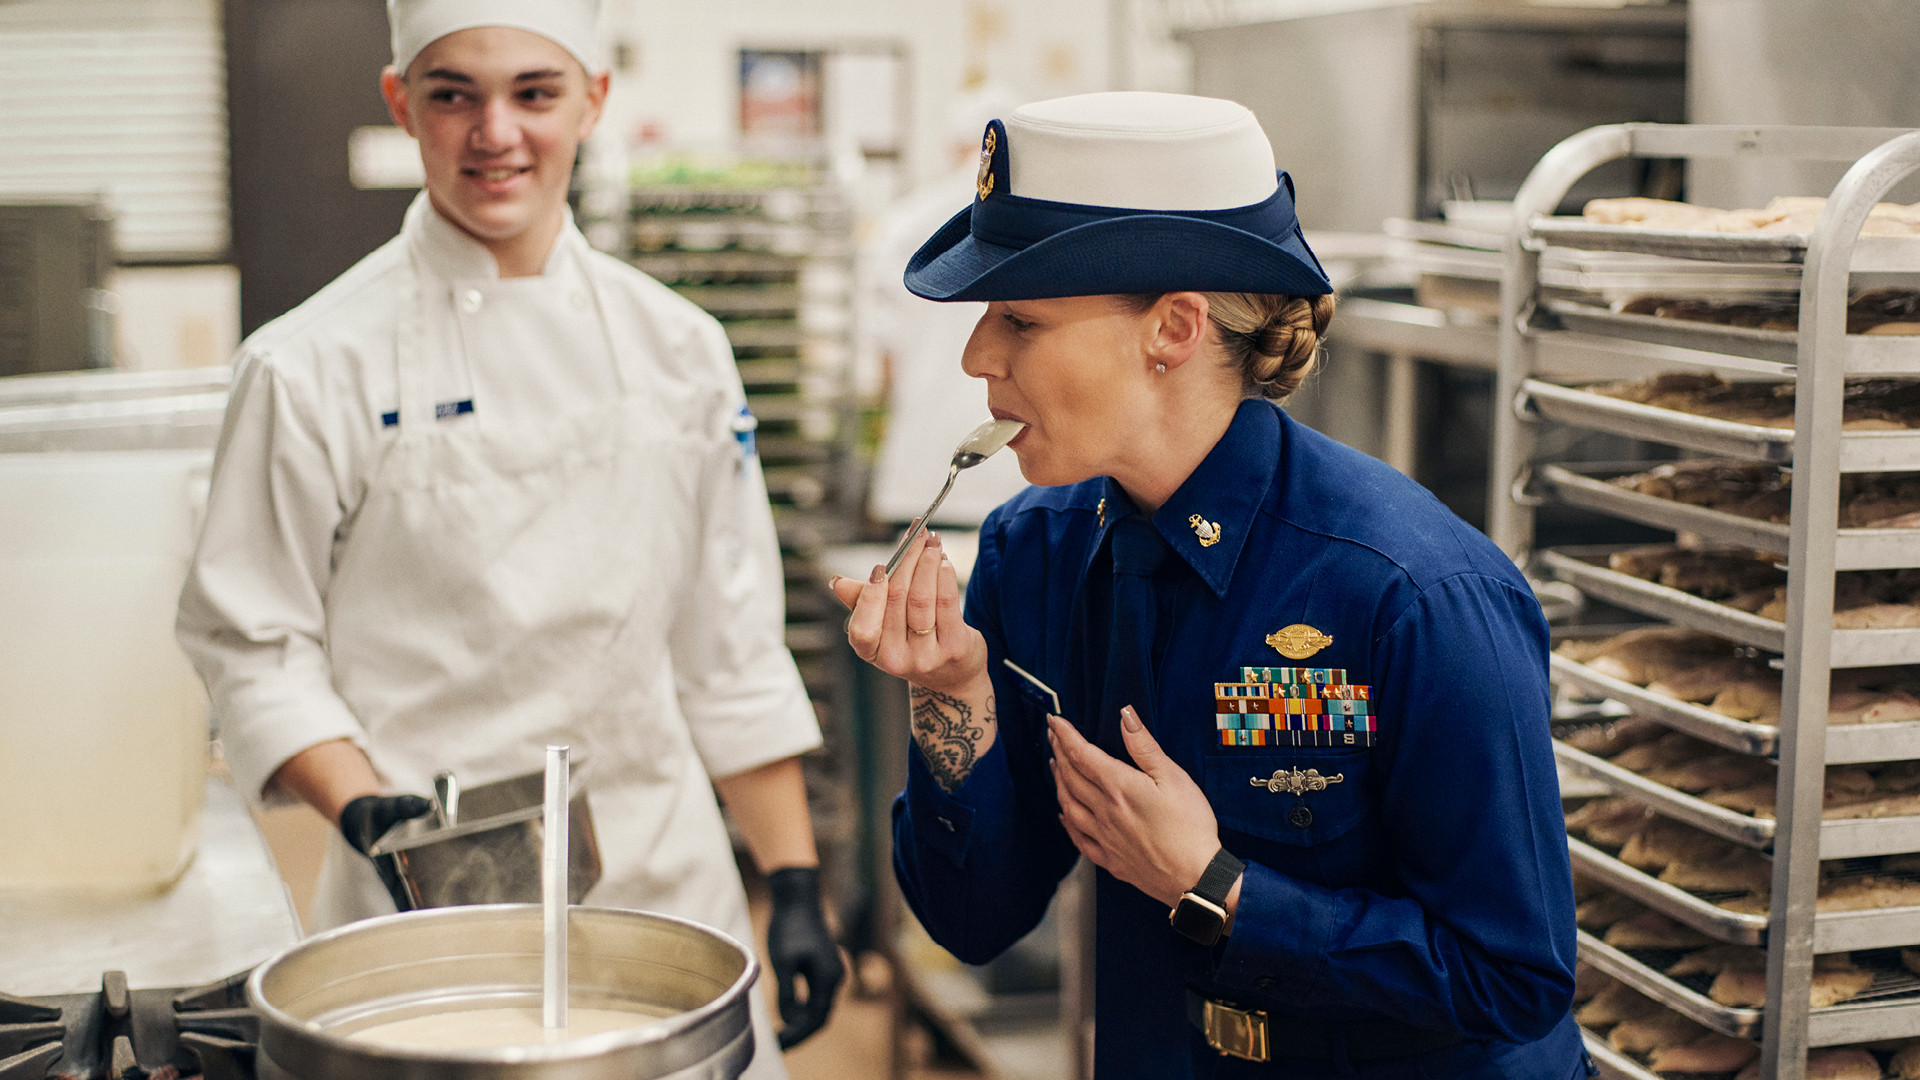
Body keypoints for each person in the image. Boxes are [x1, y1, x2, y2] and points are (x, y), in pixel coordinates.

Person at [832, 92, 1583, 1079]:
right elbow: (972, 922)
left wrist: (1218, 888)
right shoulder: (1037, 552)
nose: (978, 357)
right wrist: (950, 699)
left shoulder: (1413, 592)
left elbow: (1514, 978)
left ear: (1174, 328)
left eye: (1019, 317)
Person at [176, 0, 842, 1066]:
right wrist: (369, 816)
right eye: (454, 95)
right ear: (402, 104)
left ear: (594, 102)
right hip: (417, 910)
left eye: (535, 92)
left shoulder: (683, 350)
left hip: (668, 897)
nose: (496, 132)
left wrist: (796, 882)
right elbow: (252, 641)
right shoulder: (308, 364)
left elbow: (731, 645)